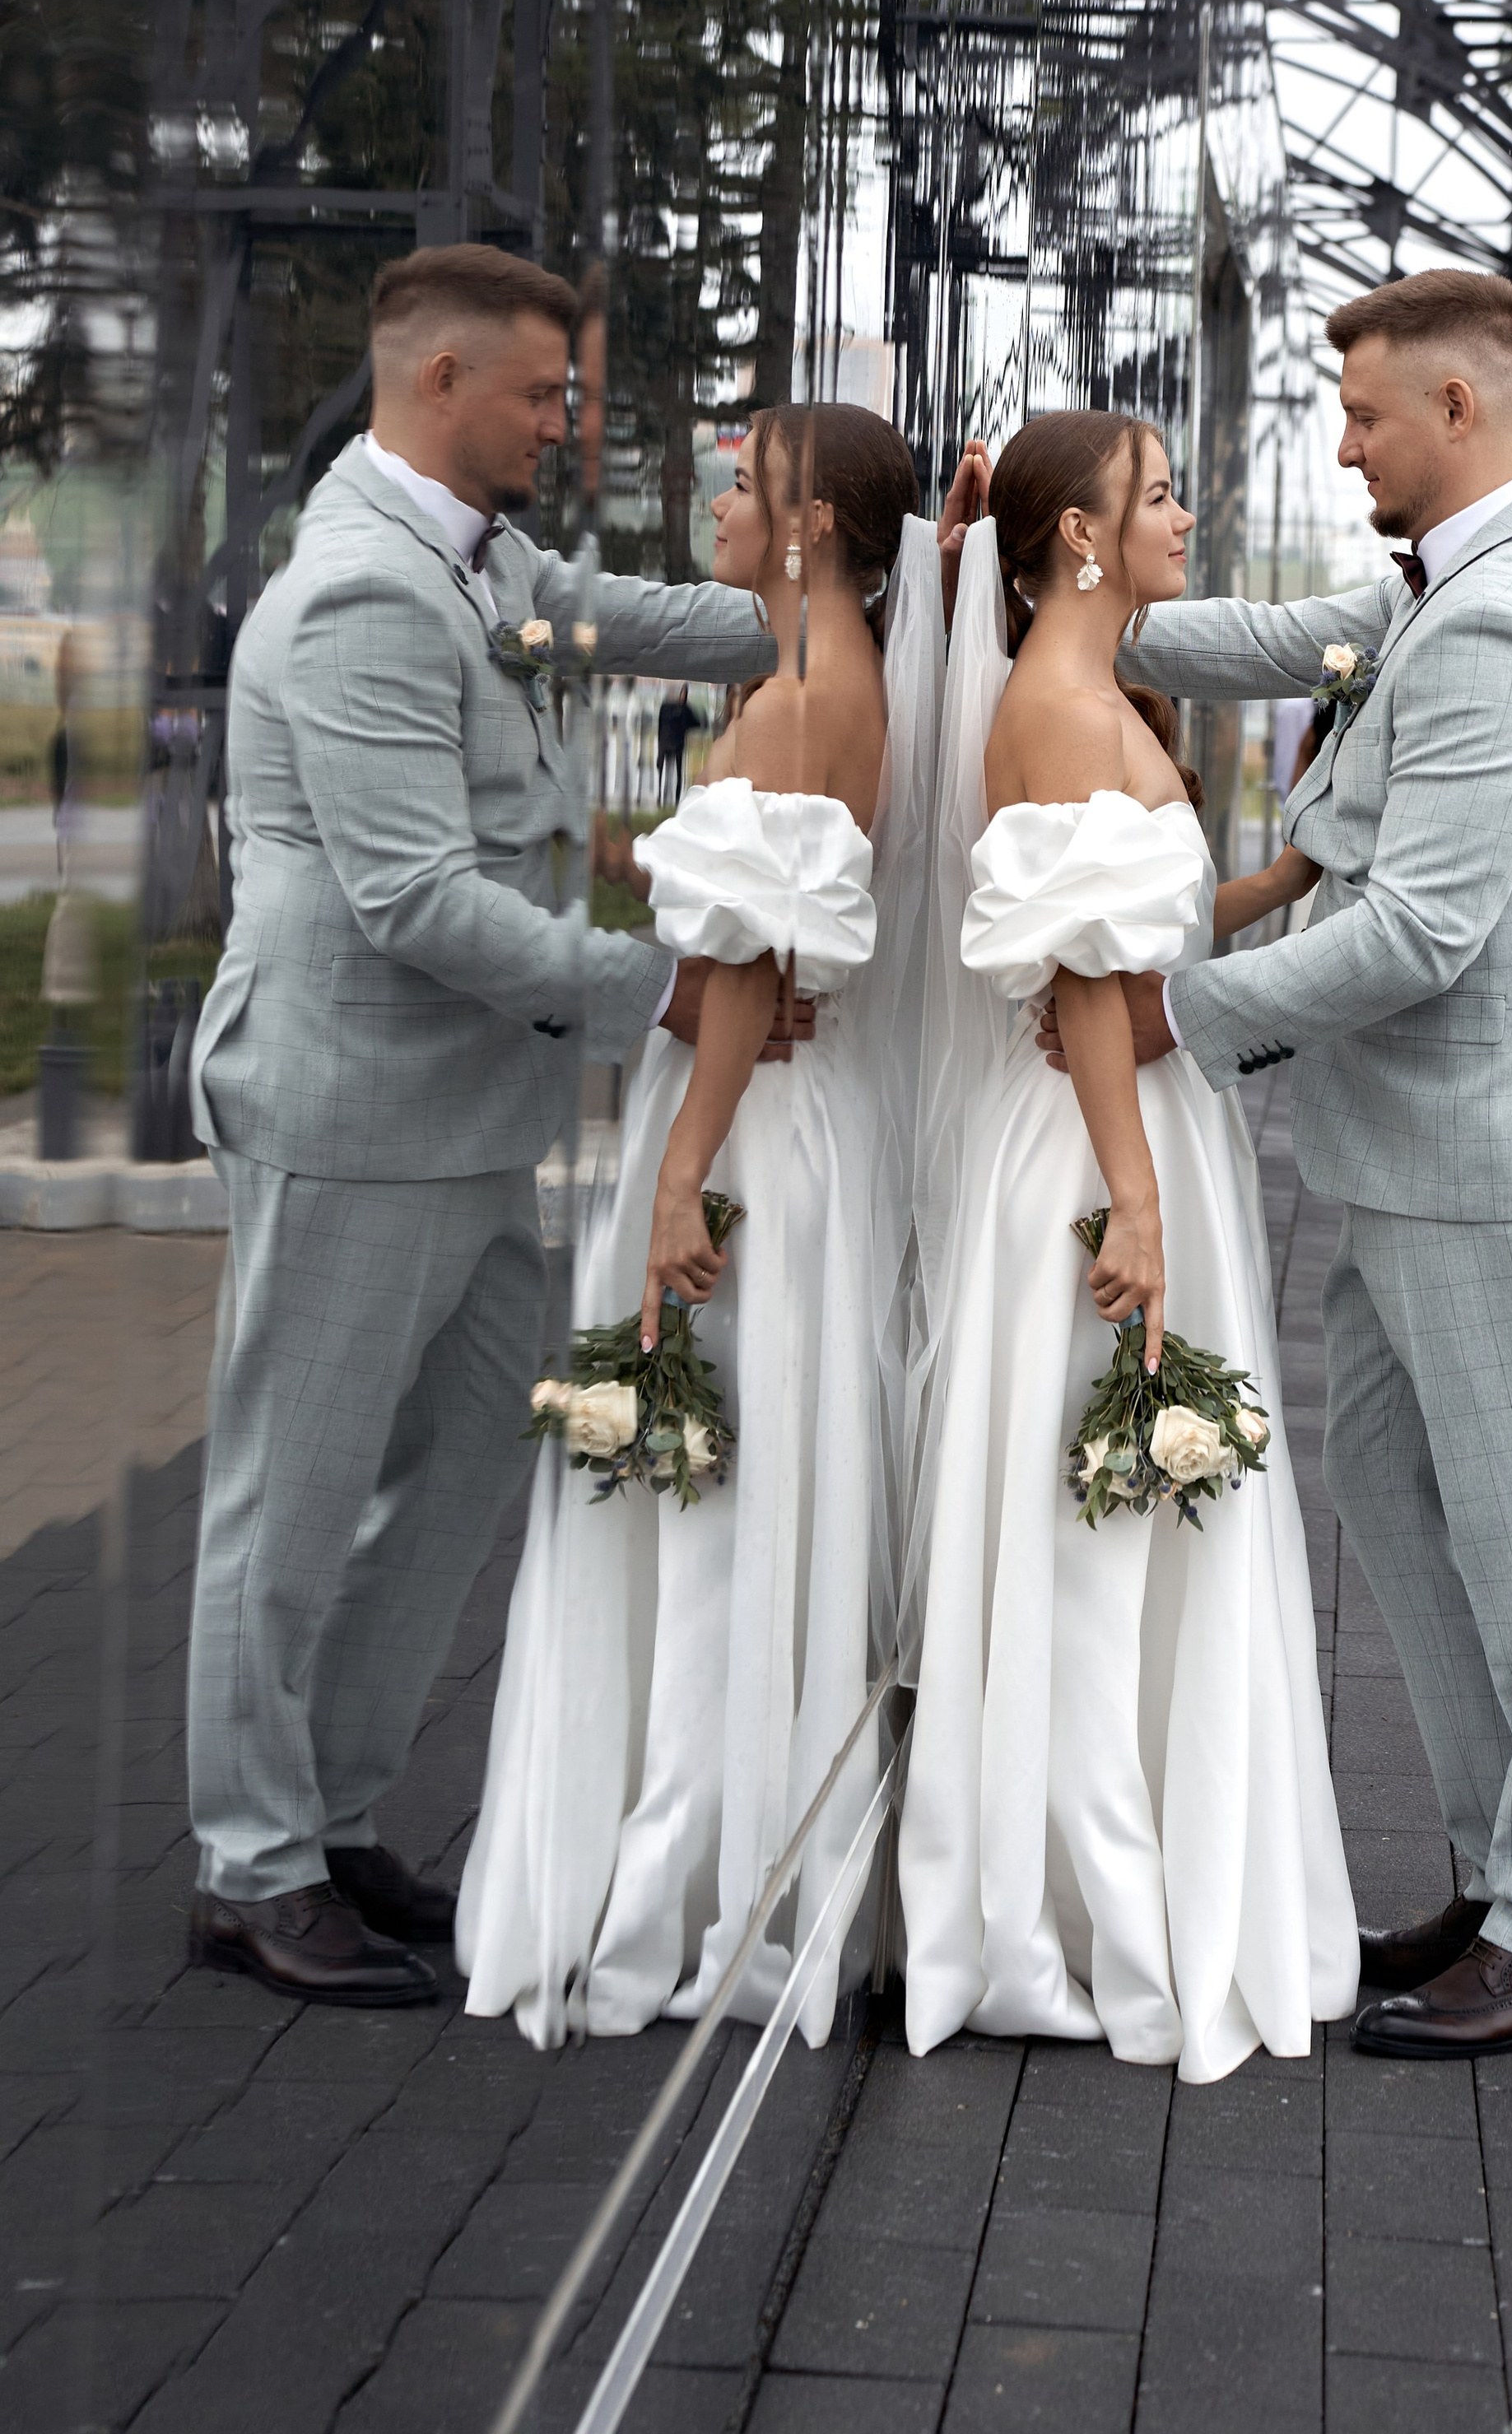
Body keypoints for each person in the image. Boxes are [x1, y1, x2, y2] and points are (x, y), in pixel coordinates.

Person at [184, 245, 982, 2009]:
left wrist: (898, 572)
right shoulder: (364, 594)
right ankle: (250, 1868)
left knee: (471, 1455)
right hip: (352, 1102)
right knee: (291, 1496)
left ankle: (332, 1815)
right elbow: (413, 899)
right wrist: (676, 993)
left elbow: (691, 615)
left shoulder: (491, 567)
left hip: (473, 1111)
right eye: (543, 394)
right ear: (440, 381)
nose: (568, 422)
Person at [1090, 266, 1512, 2063]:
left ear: (1458, 410)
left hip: (1495, 1144)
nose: (1341, 448)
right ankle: (1499, 1881)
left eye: (1360, 416)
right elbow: (1277, 638)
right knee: (1411, 1511)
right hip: (1420, 1141)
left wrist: (1167, 1017)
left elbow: (1420, 932)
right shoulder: (1456, 576)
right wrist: (1051, 597)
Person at [458, 408, 937, 2046]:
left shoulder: (800, 698)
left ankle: (681, 1875)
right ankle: (720, 1847)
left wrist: (680, 1172)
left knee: (708, 1498)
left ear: (812, 525)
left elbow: (741, 966)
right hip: (784, 1118)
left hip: (743, 1130)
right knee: (734, 1484)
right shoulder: (820, 677)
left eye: (744, 484)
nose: (717, 501)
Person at [898, 415, 1359, 2085]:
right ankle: (1083, 1901)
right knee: (1096, 1524)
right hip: (1103, 1156)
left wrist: (1292, 869)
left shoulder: (1102, 697)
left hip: (1145, 1137)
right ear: (1080, 540)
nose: (1184, 513)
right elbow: (1089, 986)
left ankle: (1137, 1870)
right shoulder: (1061, 709)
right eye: (1158, 494)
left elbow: (1146, 935)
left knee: (1136, 1508)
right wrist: (1135, 1201)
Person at [655, 685, 695, 803]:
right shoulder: (681, 708)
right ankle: (666, 797)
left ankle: (668, 798)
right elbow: (694, 722)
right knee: (671, 772)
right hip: (672, 744)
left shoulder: (671, 708)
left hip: (670, 744)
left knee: (672, 772)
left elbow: (660, 727)